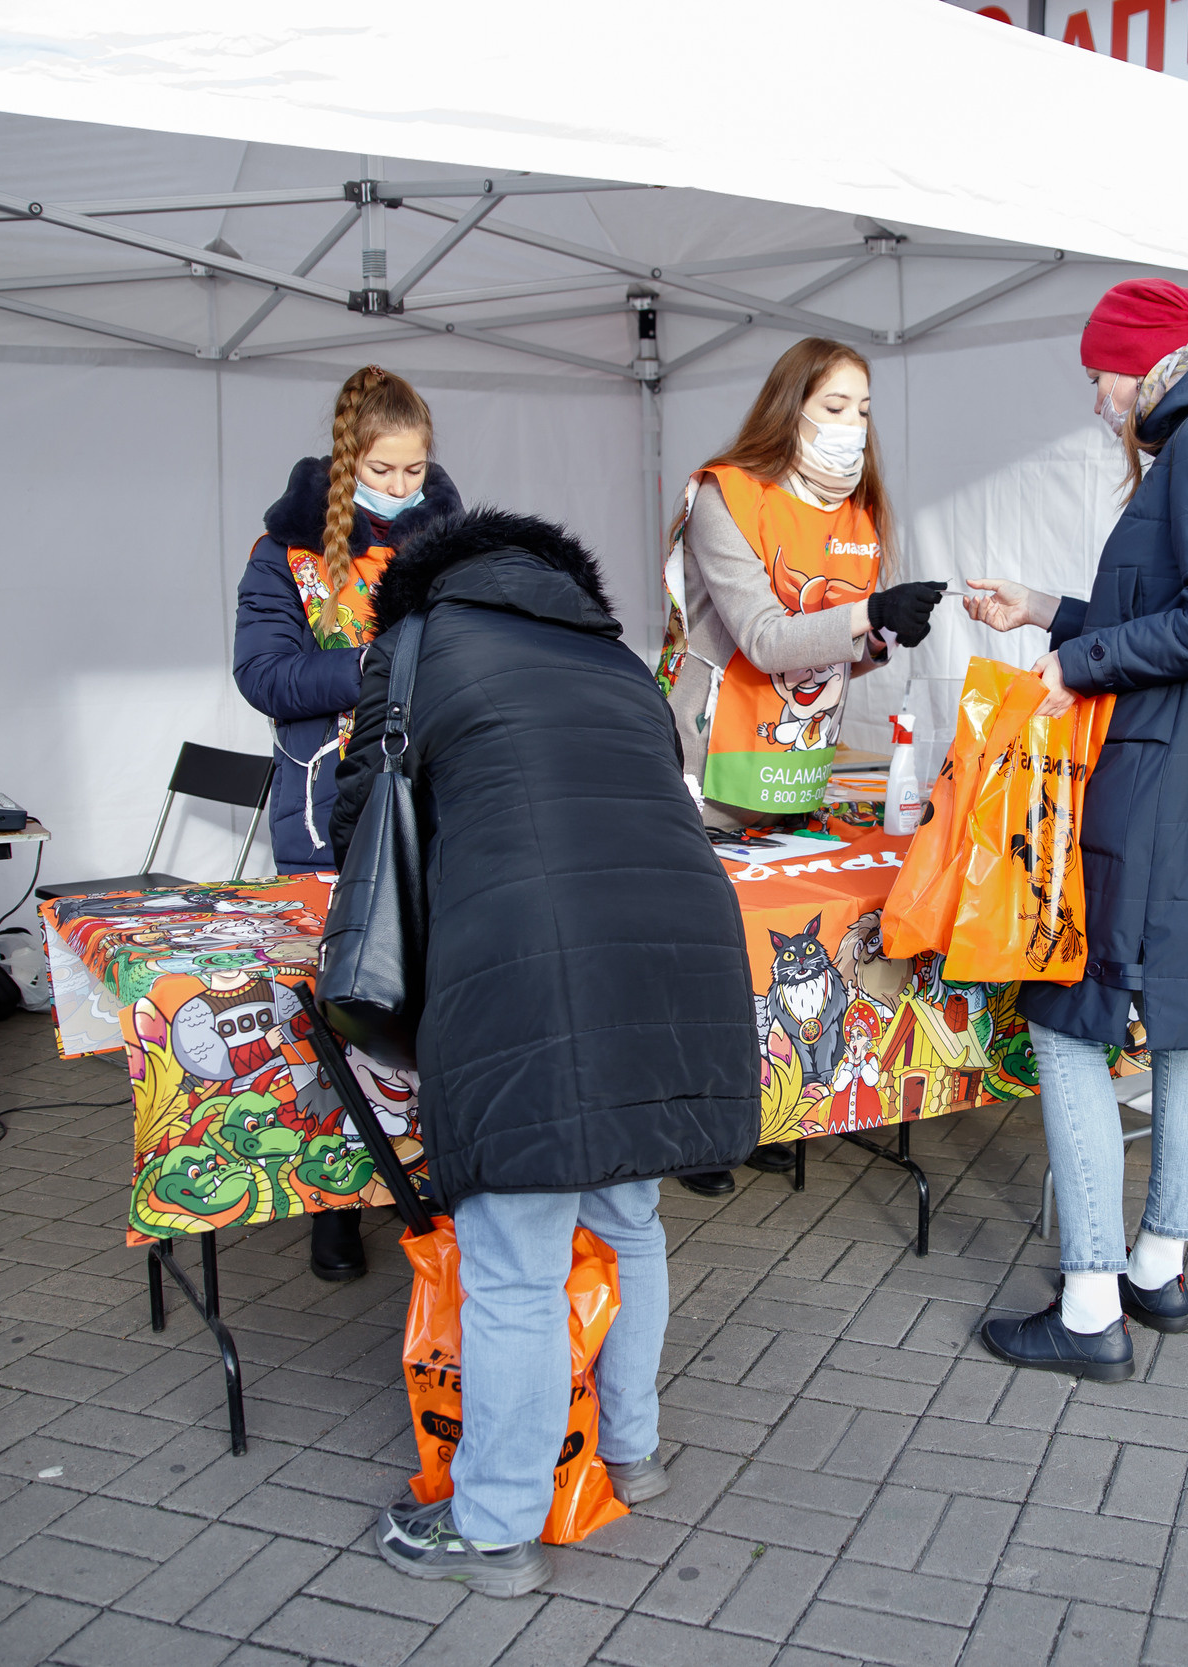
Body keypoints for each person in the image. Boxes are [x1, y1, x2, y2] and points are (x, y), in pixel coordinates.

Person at [329, 505, 758, 1597]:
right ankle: (633, 1452)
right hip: (678, 940)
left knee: (515, 1258)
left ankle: (493, 1524)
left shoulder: (418, 643)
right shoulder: (613, 658)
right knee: (628, 1216)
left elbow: (360, 813)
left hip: (526, 948)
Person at [963, 279, 1188, 1381]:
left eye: (1101, 374)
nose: (1099, 397)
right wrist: (1051, 611)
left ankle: (1085, 1308)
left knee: (1071, 1019)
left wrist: (1078, 661)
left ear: (1148, 363)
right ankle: (1157, 1264)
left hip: (1157, 779)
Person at [658, 337, 945, 1192]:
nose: (852, 428)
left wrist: (885, 636)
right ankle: (691, 1122)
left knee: (767, 945)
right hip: (709, 763)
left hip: (792, 767)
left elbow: (834, 654)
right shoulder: (727, 496)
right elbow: (765, 636)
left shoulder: (857, 514)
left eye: (862, 409)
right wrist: (867, 615)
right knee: (704, 943)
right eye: (833, 407)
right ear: (790, 407)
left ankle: (750, 1109)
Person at [235, 365, 461, 1282]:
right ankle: (338, 1200)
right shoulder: (283, 551)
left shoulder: (449, 539)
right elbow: (265, 677)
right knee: (339, 1010)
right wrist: (374, 664)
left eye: (415, 471)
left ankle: (429, 1178)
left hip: (427, 808)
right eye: (385, 469)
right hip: (325, 814)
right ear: (348, 459)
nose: (401, 489)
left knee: (423, 1005)